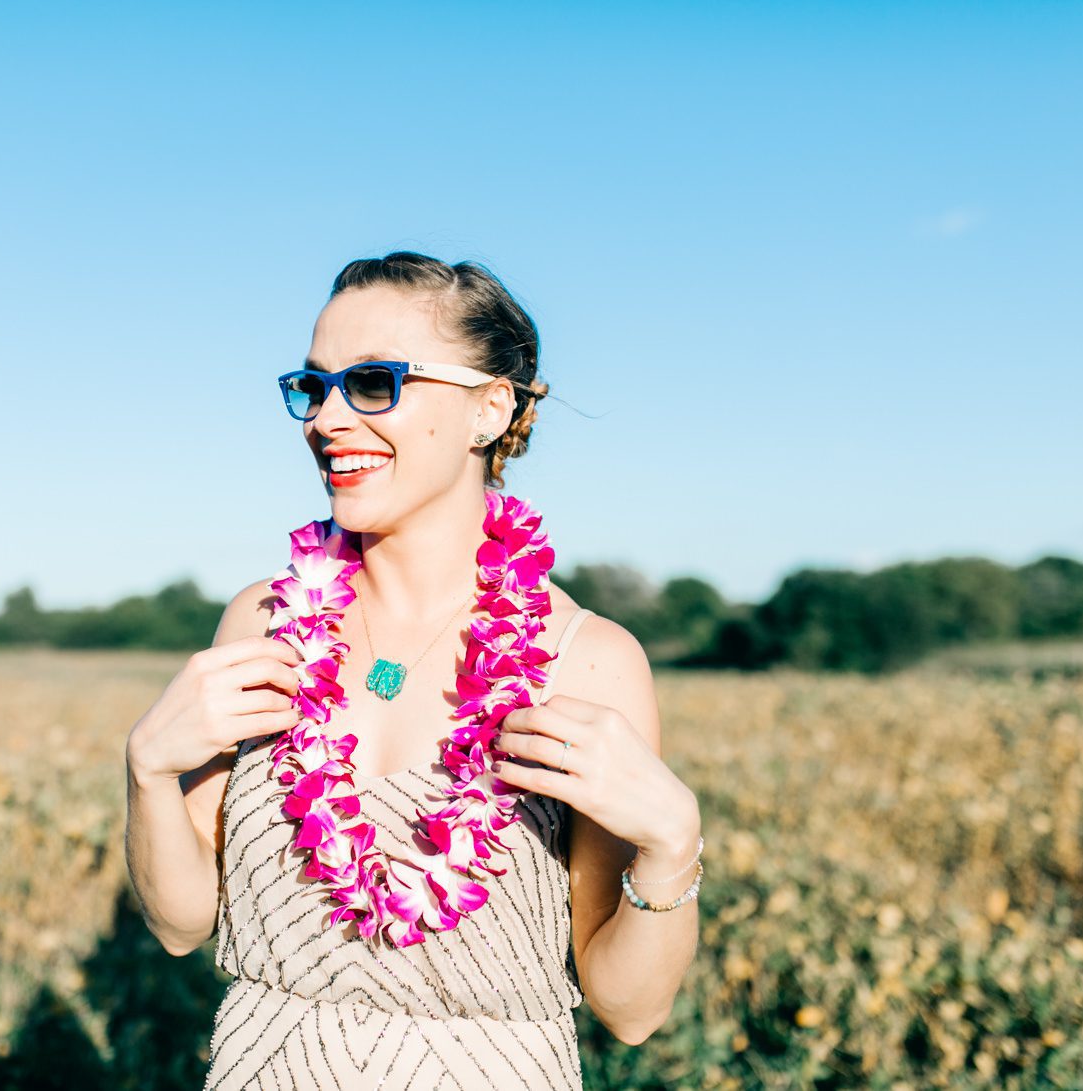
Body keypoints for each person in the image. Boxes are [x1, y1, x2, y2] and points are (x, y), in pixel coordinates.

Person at [124, 251, 702, 1089]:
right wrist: (147, 768)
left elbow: (631, 1008)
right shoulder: (262, 621)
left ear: (488, 409)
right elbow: (182, 924)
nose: (326, 419)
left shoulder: (587, 660)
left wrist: (673, 842)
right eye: (312, 387)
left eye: (373, 381)